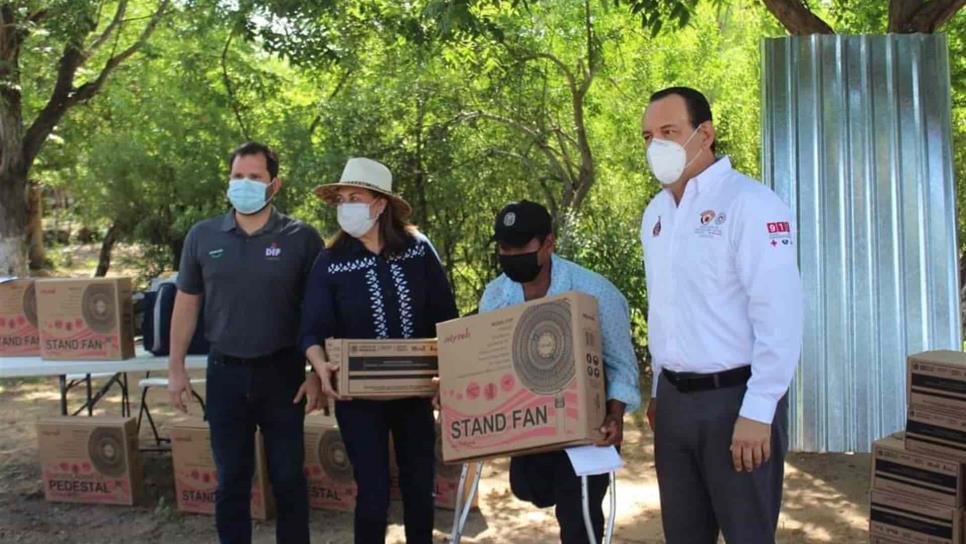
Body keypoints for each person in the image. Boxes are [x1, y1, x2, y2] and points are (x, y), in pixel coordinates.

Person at [639, 86, 803, 543]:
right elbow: (665, 309)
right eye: (648, 136)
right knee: (684, 534)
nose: (657, 146)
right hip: (674, 405)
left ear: (704, 134)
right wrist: (658, 390)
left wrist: (760, 409)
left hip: (736, 402)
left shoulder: (750, 204)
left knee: (747, 533)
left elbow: (779, 314)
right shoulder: (656, 215)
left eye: (669, 131)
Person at [168, 142, 324, 544]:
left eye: (254, 177)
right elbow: (186, 305)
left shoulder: (301, 238)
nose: (244, 184)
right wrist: (176, 369)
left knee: (289, 478)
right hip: (225, 375)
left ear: (275, 184)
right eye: (238, 176)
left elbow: (320, 311)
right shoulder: (203, 236)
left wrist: (316, 374)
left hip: (283, 375)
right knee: (232, 481)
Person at [299, 157, 459, 544]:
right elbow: (311, 330)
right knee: (371, 493)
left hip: (416, 393)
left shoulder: (419, 251)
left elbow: (448, 319)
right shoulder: (330, 262)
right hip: (357, 399)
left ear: (380, 204)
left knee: (419, 486)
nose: (346, 205)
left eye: (355, 196)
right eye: (341, 198)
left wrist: (449, 376)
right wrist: (319, 368)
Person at [477, 200, 640, 544]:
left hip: (586, 427)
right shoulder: (495, 297)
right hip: (529, 427)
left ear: (549, 243)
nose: (511, 254)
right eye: (505, 247)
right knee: (527, 488)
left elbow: (622, 365)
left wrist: (614, 415)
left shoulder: (596, 293)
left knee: (578, 513)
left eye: (521, 247)